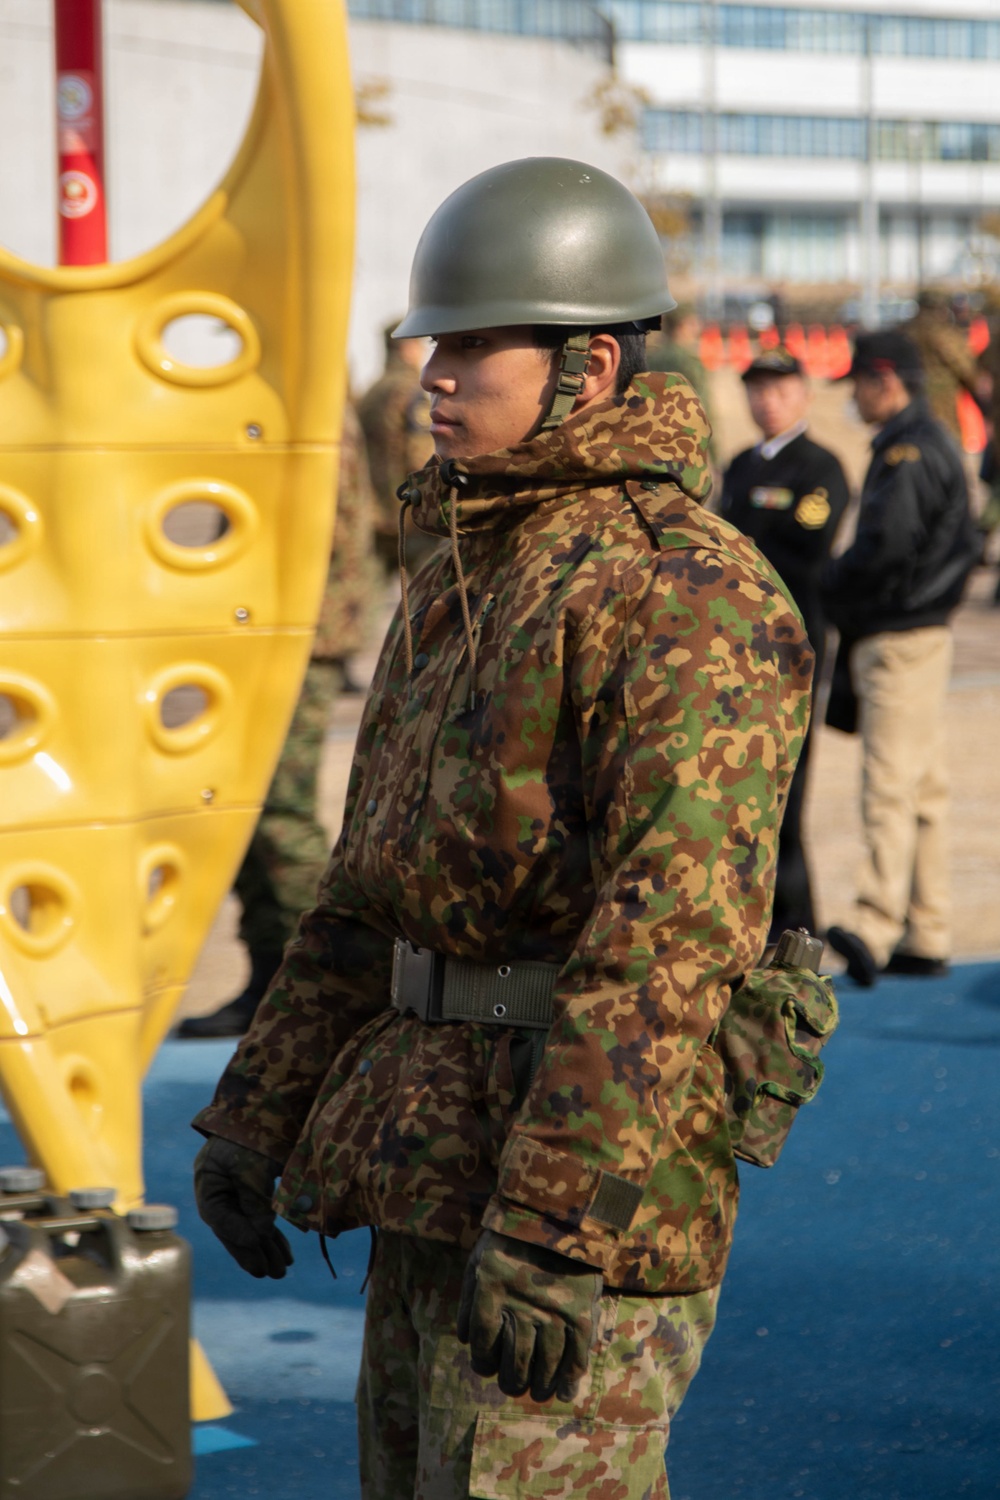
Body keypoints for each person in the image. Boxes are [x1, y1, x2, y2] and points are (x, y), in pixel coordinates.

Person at [191, 157, 812, 1498]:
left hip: (586, 1194)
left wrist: (552, 1219)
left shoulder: (680, 589)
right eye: (435, 344)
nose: (435, 377)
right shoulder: (455, 579)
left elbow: (672, 938)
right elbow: (369, 893)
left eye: (475, 346)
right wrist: (260, 1109)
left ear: (587, 369)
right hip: (430, 1166)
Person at [178, 403, 381, 1038]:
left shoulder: (309, 404)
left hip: (295, 636)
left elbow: (307, 527)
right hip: (264, 629)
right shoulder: (280, 401)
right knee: (244, 809)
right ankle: (273, 982)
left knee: (280, 818)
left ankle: (320, 992)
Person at [823, 331, 979, 987]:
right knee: (922, 788)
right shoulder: (929, 439)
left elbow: (885, 549)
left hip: (899, 634)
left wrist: (829, 584)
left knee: (888, 784)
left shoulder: (908, 449)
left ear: (885, 380)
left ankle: (876, 925)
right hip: (923, 630)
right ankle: (927, 926)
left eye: (858, 382)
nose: (854, 397)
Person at [719, 347, 850, 939]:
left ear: (802, 394)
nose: (765, 400)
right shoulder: (741, 464)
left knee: (788, 792)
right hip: (735, 644)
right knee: (741, 786)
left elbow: (807, 546)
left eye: (777, 389)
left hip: (790, 641)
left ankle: (796, 928)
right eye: (756, 389)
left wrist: (755, 531)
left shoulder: (820, 466)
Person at [357, 323, 435, 568]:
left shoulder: (372, 391)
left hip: (374, 512)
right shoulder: (411, 389)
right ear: (407, 349)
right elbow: (419, 456)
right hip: (407, 513)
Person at [903, 289, 980, 446]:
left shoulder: (905, 330)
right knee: (944, 442)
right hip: (941, 398)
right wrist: (976, 385)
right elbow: (963, 365)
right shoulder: (943, 332)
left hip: (908, 397)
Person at [645, 302, 716, 457]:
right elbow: (703, 411)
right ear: (683, 325)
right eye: (693, 322)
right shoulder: (689, 361)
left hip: (651, 445)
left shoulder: (650, 358)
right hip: (686, 447)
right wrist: (714, 454)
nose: (697, 327)